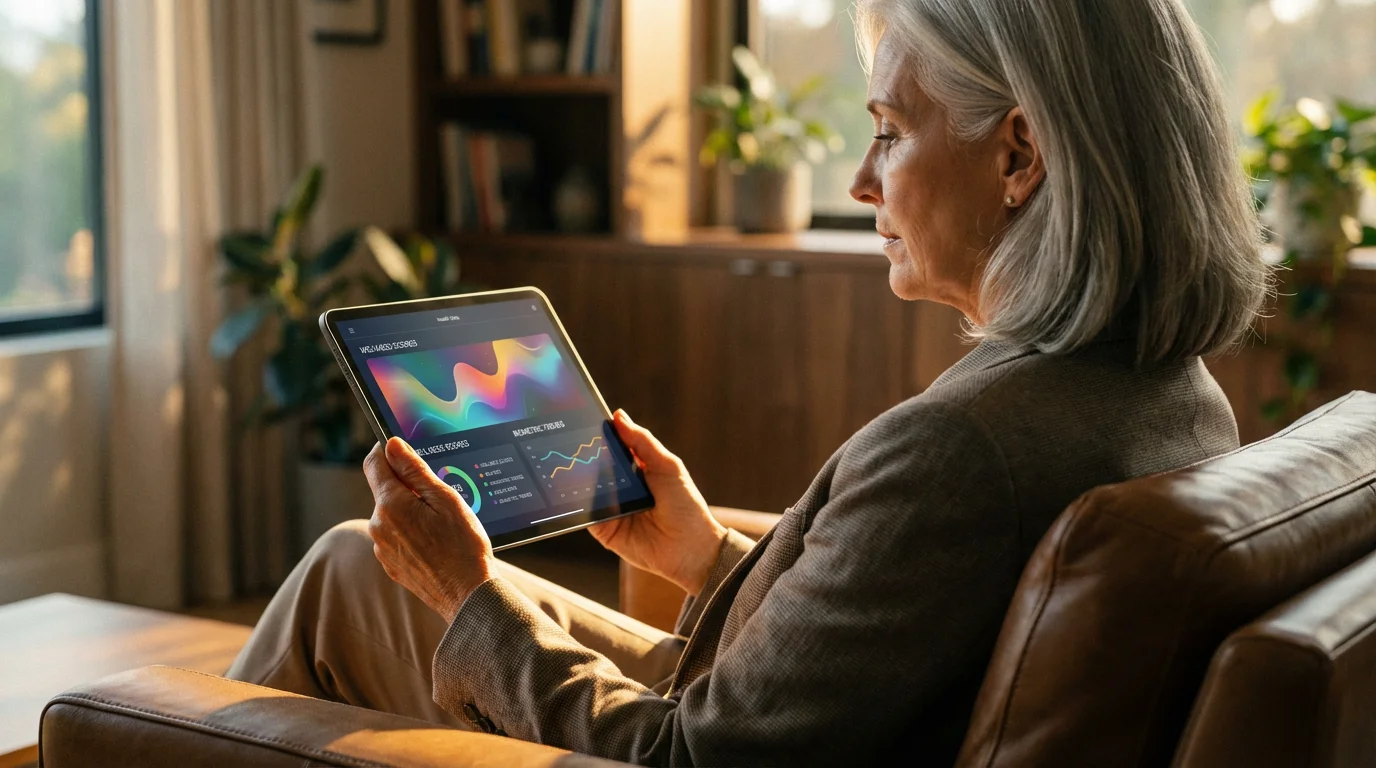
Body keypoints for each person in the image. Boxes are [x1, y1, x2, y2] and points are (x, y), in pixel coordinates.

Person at [227, 0, 1270, 763]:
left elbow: (691, 759)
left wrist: (466, 589)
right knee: (353, 567)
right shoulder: (1168, 391)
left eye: (889, 132)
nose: (860, 183)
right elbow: (884, 650)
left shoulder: (957, 454)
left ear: (1018, 157)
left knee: (359, 590)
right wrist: (699, 553)